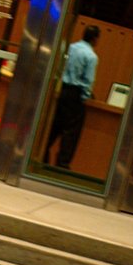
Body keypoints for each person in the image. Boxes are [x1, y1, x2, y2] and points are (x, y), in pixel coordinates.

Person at [47, 25, 100, 169]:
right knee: (71, 132)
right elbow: (88, 81)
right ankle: (62, 164)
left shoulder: (70, 48)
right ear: (95, 39)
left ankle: (43, 153)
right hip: (75, 95)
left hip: (63, 90)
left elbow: (60, 68)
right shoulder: (91, 56)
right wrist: (84, 97)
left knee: (54, 125)